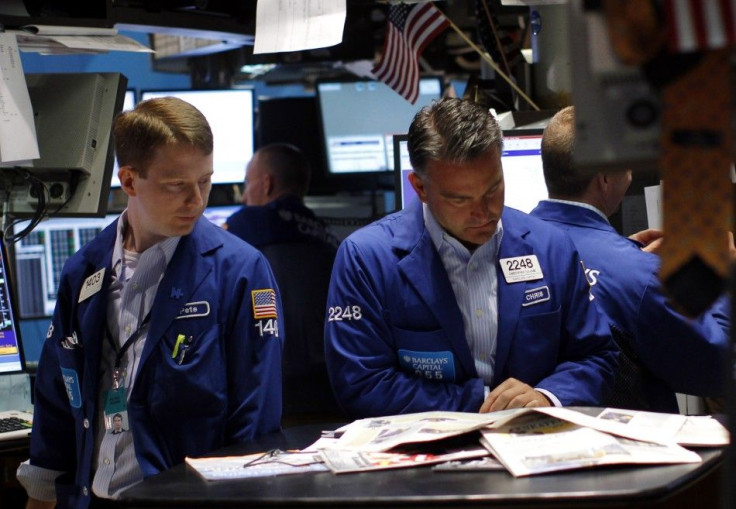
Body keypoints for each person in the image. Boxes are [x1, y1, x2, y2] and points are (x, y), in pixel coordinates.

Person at [17, 97, 284, 509]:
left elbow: (256, 416)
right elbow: (57, 397)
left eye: (205, 181)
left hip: (188, 499)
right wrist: (40, 493)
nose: (197, 201)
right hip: (93, 498)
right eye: (176, 185)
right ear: (128, 181)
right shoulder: (83, 271)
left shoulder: (241, 272)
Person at [324, 97, 618, 418]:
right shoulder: (366, 260)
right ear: (420, 187)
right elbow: (361, 384)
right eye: (459, 199)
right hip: (427, 455)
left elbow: (597, 357)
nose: (483, 212)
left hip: (535, 447)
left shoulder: (551, 247)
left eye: (493, 189)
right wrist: (483, 402)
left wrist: (548, 396)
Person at [530, 105, 730, 413]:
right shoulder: (639, 275)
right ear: (605, 177)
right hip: (628, 448)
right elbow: (716, 368)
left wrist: (621, 254)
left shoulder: (513, 245)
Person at [225, 143, 342, 421]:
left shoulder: (246, 224)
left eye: (247, 183)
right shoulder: (328, 235)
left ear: (266, 183)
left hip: (273, 385)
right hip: (333, 384)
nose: (244, 197)